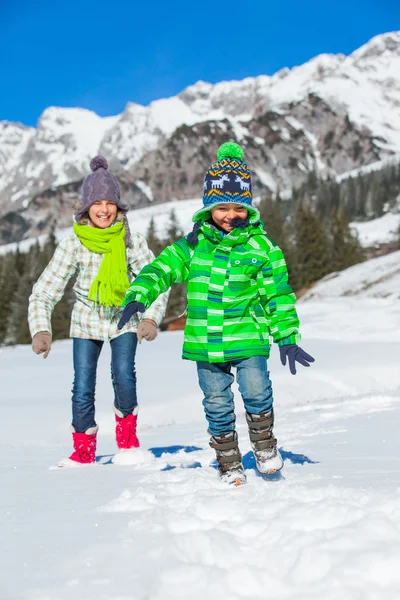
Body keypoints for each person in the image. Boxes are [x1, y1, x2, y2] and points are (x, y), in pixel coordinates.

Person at [117, 142, 315, 486]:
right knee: (217, 402)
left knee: (256, 390)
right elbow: (161, 268)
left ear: (248, 208)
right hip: (205, 341)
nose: (230, 215)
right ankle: (229, 462)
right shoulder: (192, 246)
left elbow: (278, 295)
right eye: (221, 207)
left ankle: (265, 446)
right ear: (208, 207)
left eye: (238, 208)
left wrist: (286, 336)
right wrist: (139, 294)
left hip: (247, 336)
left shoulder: (262, 248)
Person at [28, 155, 169, 467]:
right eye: (97, 203)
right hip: (86, 320)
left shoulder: (130, 241)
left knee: (123, 375)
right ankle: (83, 452)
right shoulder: (75, 243)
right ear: (86, 208)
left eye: (110, 202)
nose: (104, 209)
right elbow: (45, 290)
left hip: (124, 318)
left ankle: (129, 443)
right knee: (82, 386)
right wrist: (41, 329)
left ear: (118, 207)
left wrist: (149, 317)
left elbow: (157, 279)